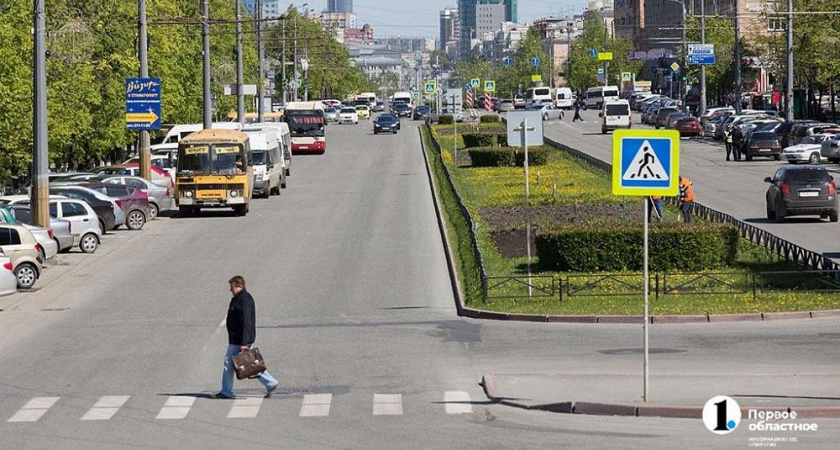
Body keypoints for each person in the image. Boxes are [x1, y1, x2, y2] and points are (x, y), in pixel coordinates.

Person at [214, 275, 278, 399]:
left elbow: (246, 322)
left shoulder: (244, 299)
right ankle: (270, 382)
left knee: (236, 363)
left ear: (239, 286)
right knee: (249, 364)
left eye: (232, 287)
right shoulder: (239, 298)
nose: (230, 290)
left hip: (240, 339)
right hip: (237, 339)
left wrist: (244, 343)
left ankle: (226, 391)